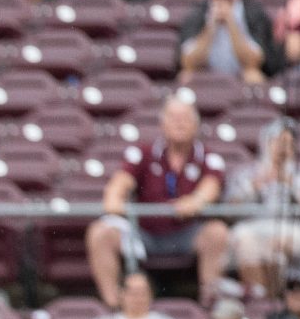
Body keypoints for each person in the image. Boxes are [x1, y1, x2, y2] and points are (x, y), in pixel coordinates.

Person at [90, 96, 229, 307]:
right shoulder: (144, 153)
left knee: (217, 232)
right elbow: (121, 182)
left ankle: (210, 304)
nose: (179, 123)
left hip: (187, 232)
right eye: (173, 117)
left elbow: (211, 186)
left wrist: (196, 201)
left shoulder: (208, 157)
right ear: (162, 123)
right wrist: (114, 198)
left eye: (185, 118)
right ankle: (114, 304)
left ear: (196, 124)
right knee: (100, 233)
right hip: (145, 232)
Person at [226, 122, 300, 296]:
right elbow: (229, 209)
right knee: (245, 239)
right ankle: (260, 298)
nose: (282, 148)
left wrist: (293, 184)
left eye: (287, 143)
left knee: (280, 245)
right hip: (253, 227)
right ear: (266, 144)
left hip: (293, 228)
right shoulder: (247, 173)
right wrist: (254, 186)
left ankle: (271, 298)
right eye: (277, 142)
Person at [180, 0, 273, 83]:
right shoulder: (198, 13)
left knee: (254, 77)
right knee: (186, 76)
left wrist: (231, 22)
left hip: (241, 74)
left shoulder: (253, 13)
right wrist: (211, 25)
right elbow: (188, 62)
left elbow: (254, 62)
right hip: (205, 73)